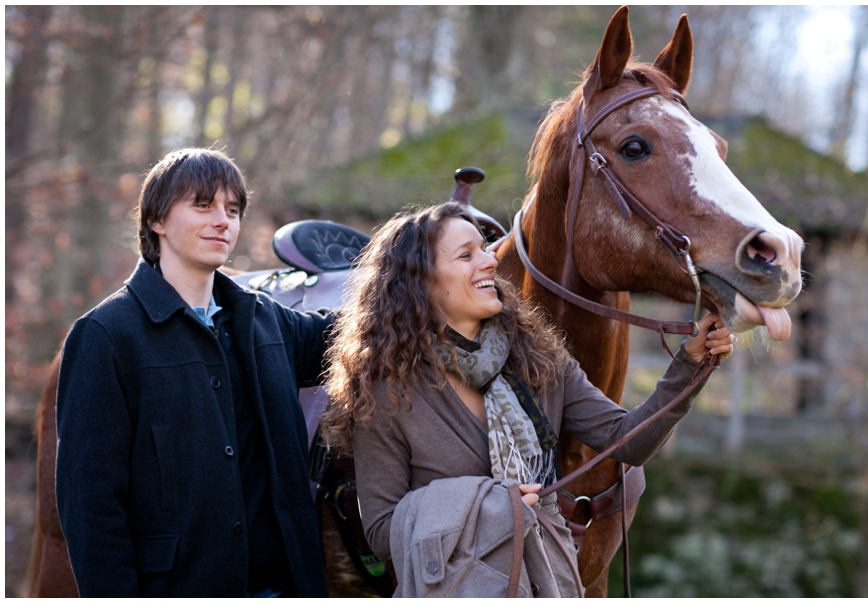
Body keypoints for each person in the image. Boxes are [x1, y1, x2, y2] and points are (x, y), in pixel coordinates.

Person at [320, 202, 734, 596]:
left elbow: (628, 438)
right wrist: (492, 505)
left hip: (548, 584)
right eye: (466, 256)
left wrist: (691, 365)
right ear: (420, 283)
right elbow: (381, 530)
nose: (490, 261)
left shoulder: (539, 361)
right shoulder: (385, 393)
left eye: (484, 249)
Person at [55, 148, 331, 597]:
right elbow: (91, 510)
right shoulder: (106, 336)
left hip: (282, 586)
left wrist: (428, 274)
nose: (223, 220)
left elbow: (357, 336)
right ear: (156, 221)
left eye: (233, 209)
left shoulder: (265, 320)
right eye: (203, 205)